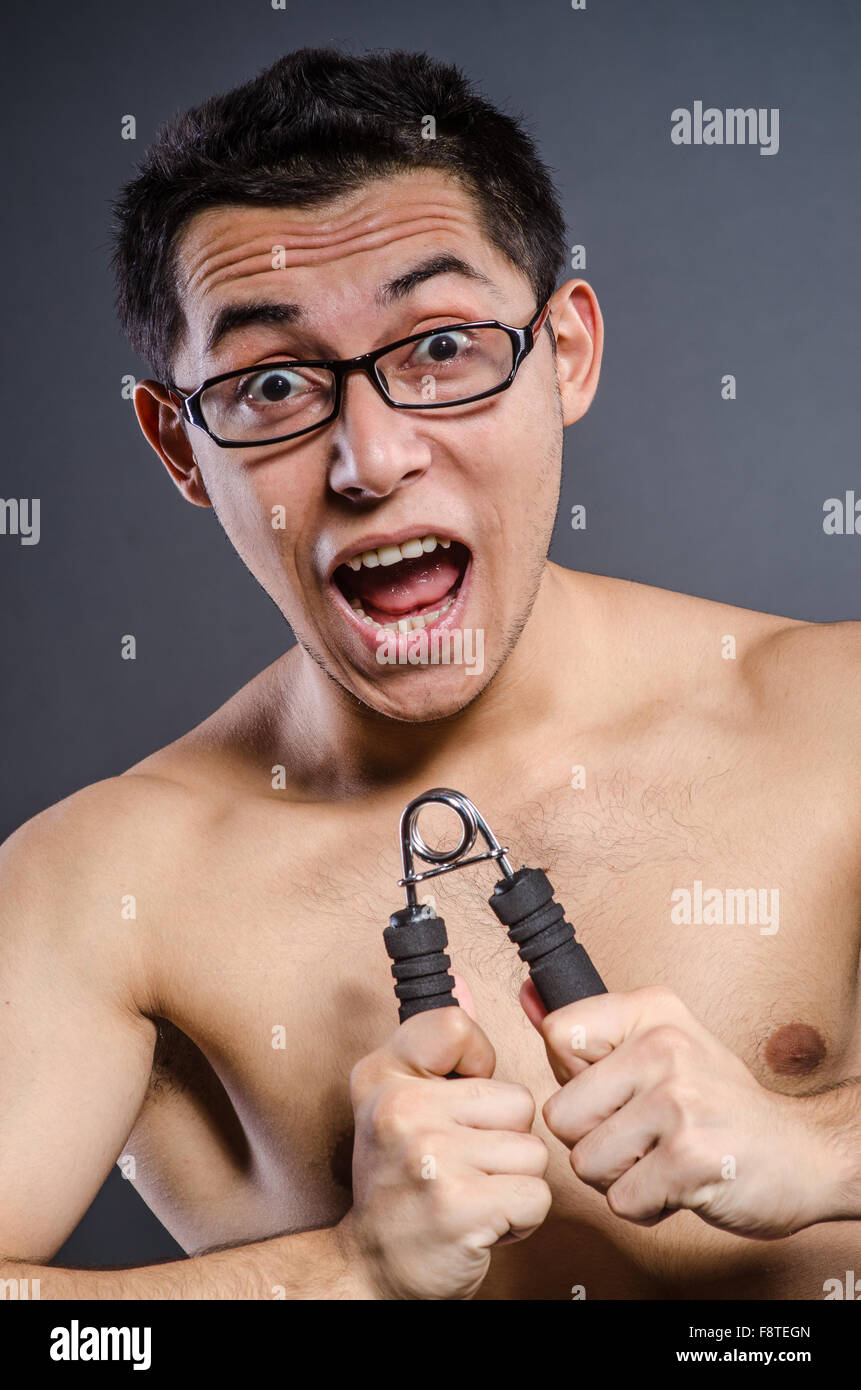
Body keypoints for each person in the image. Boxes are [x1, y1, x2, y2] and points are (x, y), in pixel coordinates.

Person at [1, 47, 858, 1301]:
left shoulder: (837, 718)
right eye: (272, 383)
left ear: (564, 353)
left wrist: (821, 1149)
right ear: (181, 446)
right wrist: (337, 1274)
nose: (371, 457)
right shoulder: (98, 888)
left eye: (442, 346)